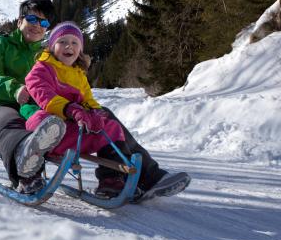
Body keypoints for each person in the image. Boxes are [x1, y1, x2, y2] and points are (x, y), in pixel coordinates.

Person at [22, 22, 191, 201]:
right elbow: (43, 94)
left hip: (73, 131)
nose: (68, 46)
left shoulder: (78, 74)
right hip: (48, 126)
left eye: (74, 42)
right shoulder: (42, 68)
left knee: (110, 126)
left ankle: (112, 181)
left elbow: (88, 100)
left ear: (80, 49)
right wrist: (71, 109)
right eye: (62, 41)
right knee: (47, 121)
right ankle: (150, 176)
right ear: (51, 46)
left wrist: (95, 113)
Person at [0, 0, 67, 194]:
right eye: (32, 19)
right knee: (12, 121)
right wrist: (14, 88)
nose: (37, 26)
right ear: (19, 21)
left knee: (96, 116)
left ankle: (134, 171)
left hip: (33, 109)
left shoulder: (46, 56)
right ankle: (27, 172)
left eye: (43, 22)